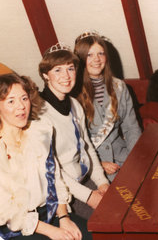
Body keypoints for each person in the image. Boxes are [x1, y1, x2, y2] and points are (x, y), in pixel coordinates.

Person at [0, 73, 90, 239]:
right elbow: (8, 211)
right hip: (16, 228)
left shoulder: (38, 133)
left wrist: (64, 217)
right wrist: (52, 232)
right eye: (11, 101)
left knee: (91, 235)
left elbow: (55, 178)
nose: (21, 106)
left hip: (50, 213)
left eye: (24, 98)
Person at [38, 43, 109, 220]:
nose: (66, 76)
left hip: (86, 179)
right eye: (58, 70)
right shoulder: (39, 114)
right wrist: (89, 196)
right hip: (65, 193)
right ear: (45, 75)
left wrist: (102, 183)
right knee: (107, 223)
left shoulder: (75, 104)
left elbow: (87, 147)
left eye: (70, 69)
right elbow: (51, 170)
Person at [74, 31, 142, 181]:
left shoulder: (119, 87)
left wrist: (135, 158)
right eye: (89, 55)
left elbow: (131, 128)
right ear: (80, 58)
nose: (96, 60)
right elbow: (71, 143)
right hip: (90, 167)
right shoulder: (72, 92)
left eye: (101, 54)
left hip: (122, 158)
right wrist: (97, 163)